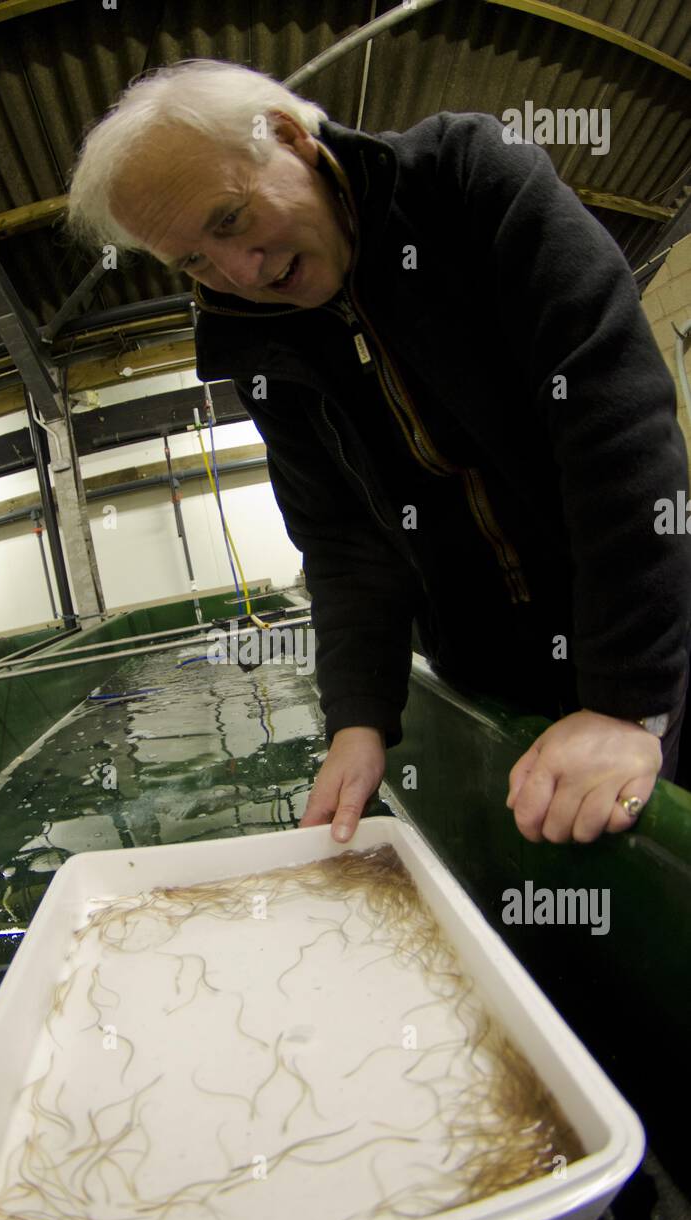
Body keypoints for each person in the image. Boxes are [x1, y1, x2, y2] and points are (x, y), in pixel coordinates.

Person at [68, 58, 691, 845]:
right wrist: (359, 719)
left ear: (292, 138)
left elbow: (615, 423)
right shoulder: (248, 337)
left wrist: (625, 701)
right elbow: (340, 535)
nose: (237, 272)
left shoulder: (468, 182)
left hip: (648, 633)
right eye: (191, 260)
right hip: (490, 672)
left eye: (228, 220)